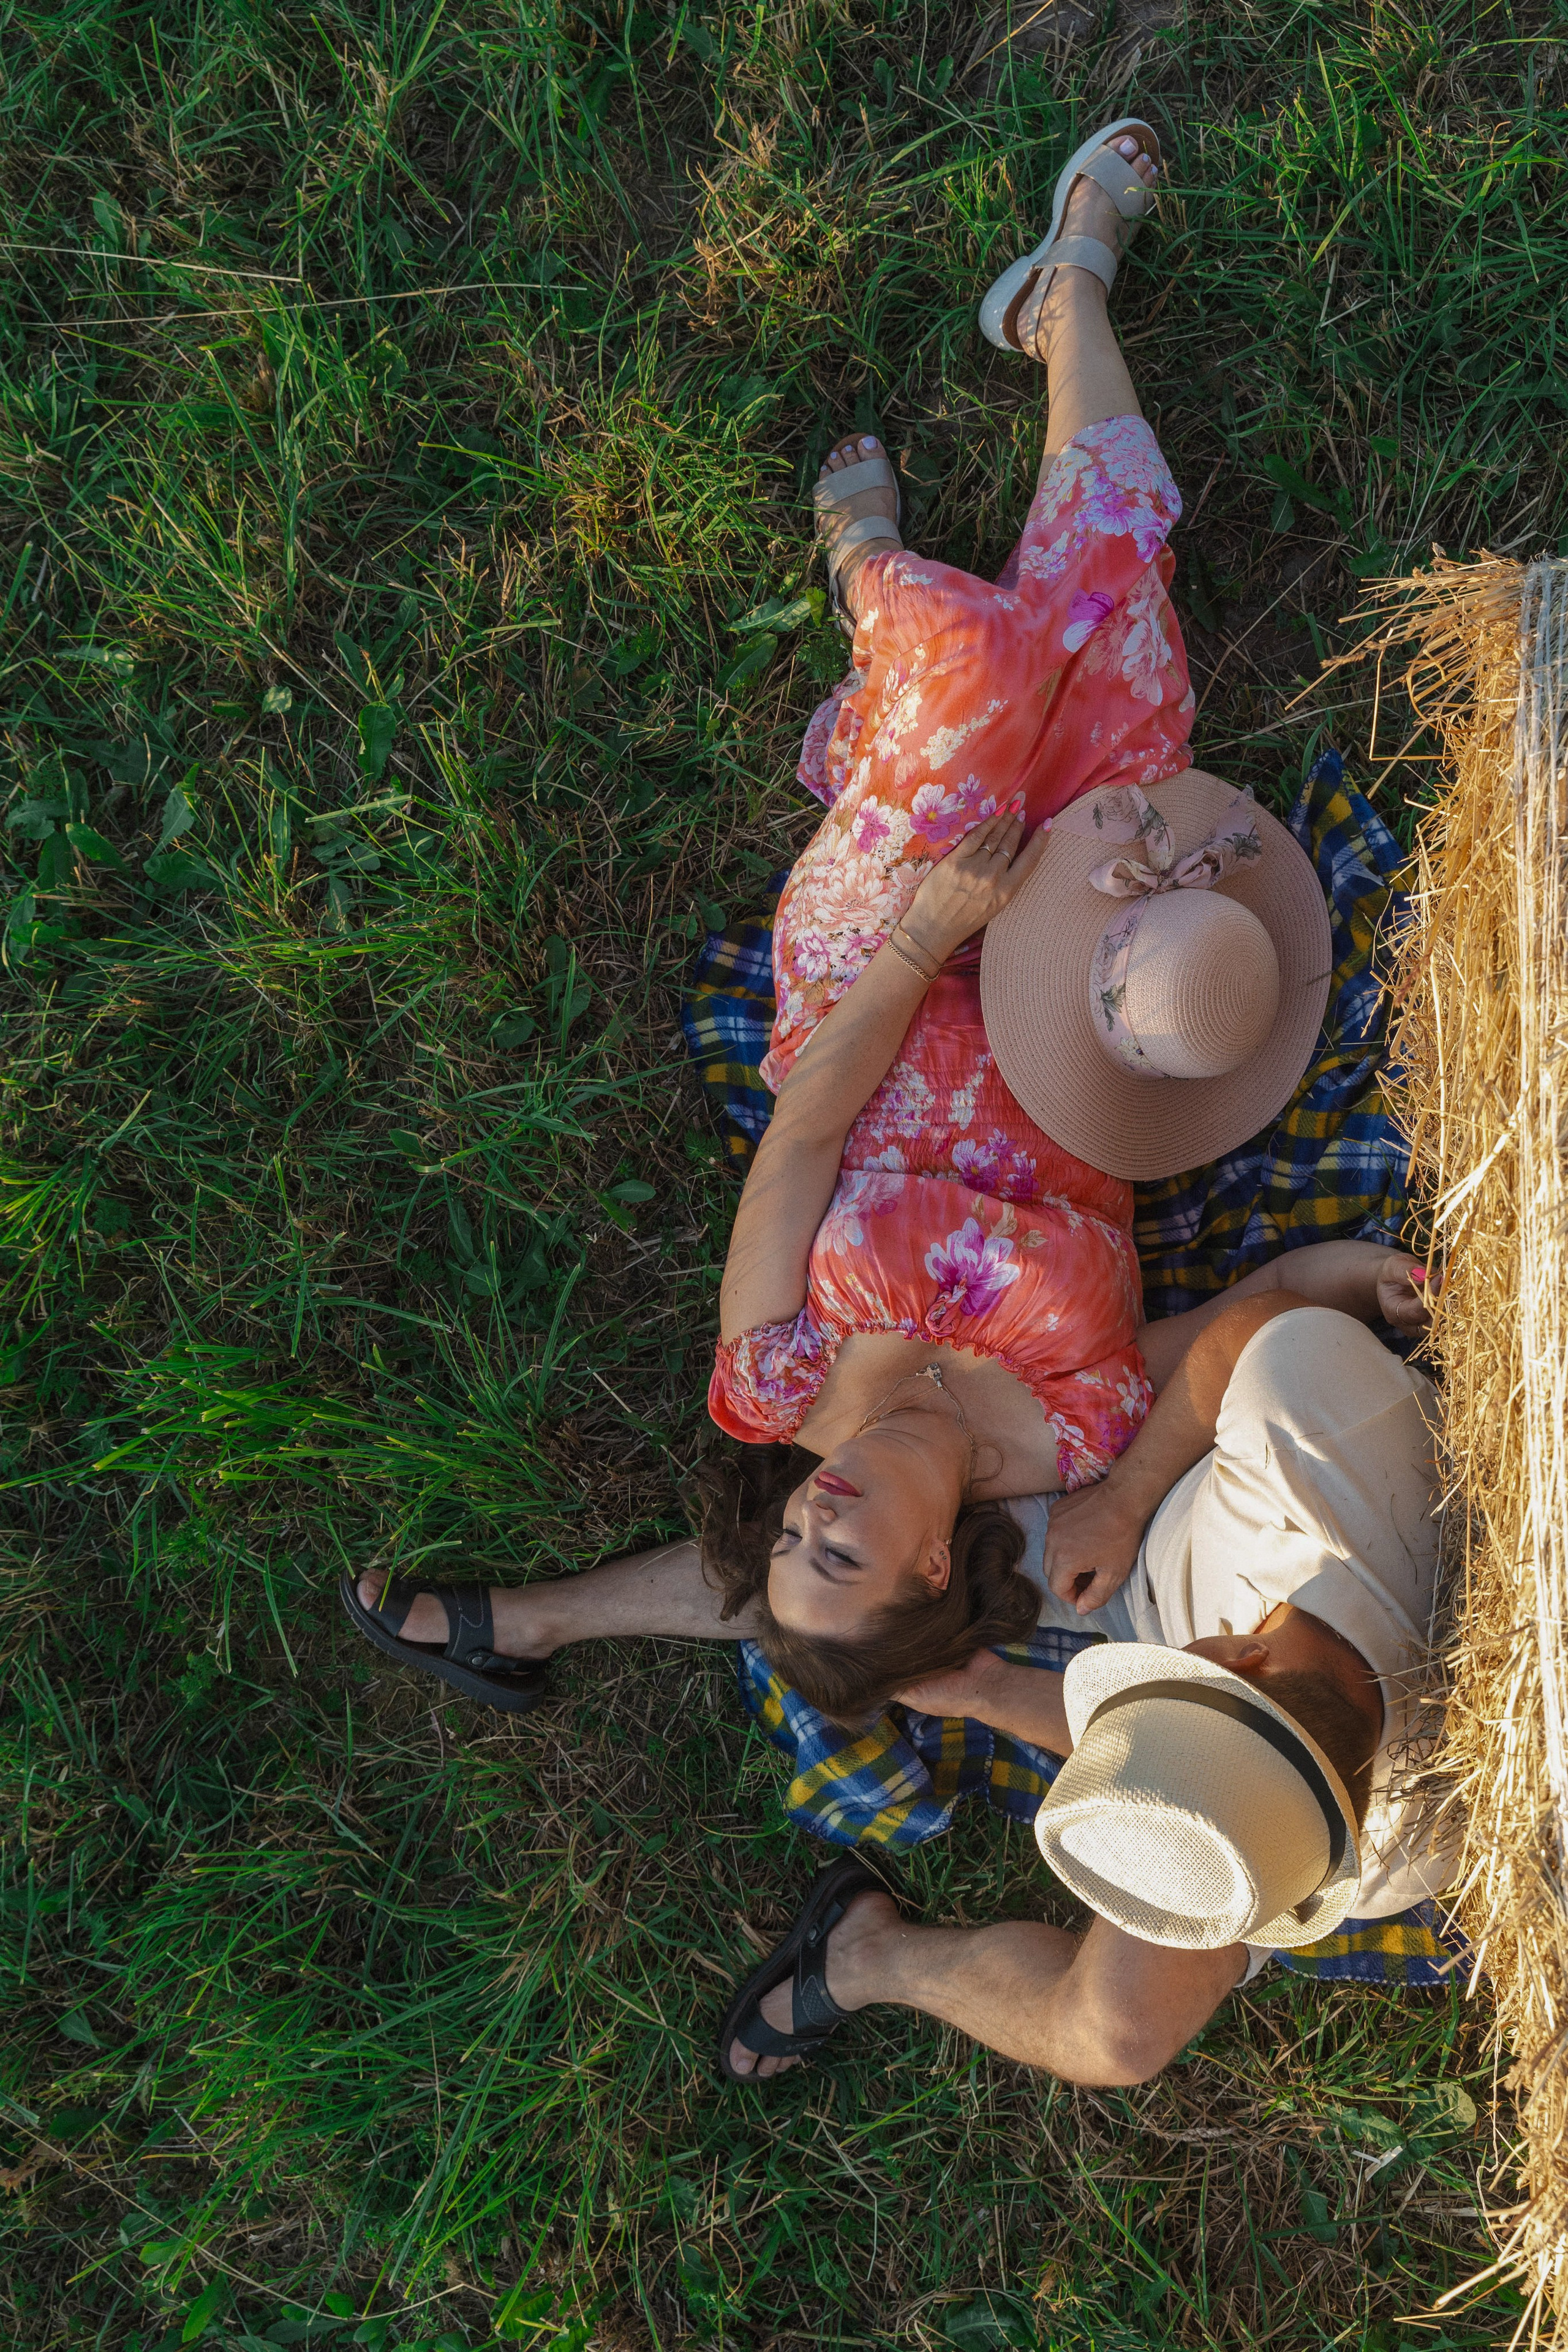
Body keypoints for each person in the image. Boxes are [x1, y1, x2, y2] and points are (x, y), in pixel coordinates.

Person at [341, 116, 1419, 1716]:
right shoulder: (1075, 1433)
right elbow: (1232, 1333)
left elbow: (805, 1133)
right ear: (933, 1573)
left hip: (882, 966)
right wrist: (1353, 1276)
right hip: (1091, 972)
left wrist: (926, 930)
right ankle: (1068, 301)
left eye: (788, 1543)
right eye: (838, 1557)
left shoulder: (778, 1388)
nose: (813, 1518)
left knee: (977, 666)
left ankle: (876, 595)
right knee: (1117, 640)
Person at [715, 1289, 1453, 2084]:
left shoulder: (1387, 1855)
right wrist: (1125, 1498)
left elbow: (1199, 1782)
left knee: (1114, 2038)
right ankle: (562, 1615)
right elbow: (1256, 1324)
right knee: (832, 1621)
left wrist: (991, 1695)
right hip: (1122, 1553)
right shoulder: (1306, 1442)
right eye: (1161, 1687)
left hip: (1235, 1785)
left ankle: (865, 1958)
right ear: (1238, 1657)